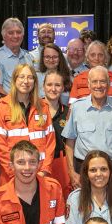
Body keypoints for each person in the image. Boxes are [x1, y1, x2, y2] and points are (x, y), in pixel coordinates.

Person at [62, 66, 112, 190]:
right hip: (84, 169)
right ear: (88, 84)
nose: (99, 85)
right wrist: (71, 172)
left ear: (108, 84)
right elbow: (69, 143)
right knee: (85, 208)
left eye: (103, 81)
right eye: (94, 81)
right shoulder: (76, 108)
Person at [0, 64, 55, 185]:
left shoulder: (43, 107)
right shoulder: (1, 106)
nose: (26, 81)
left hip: (40, 175)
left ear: (35, 81)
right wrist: (14, 173)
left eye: (30, 77)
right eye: (21, 77)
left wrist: (44, 171)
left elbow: (50, 142)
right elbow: (0, 145)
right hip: (11, 177)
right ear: (14, 79)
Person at [42, 69, 71, 198]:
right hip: (39, 163)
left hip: (61, 163)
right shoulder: (33, 109)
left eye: (57, 85)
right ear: (43, 87)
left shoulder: (68, 112)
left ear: (63, 88)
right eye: (49, 85)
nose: (53, 89)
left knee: (61, 198)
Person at [0, 17, 35, 92]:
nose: (15, 36)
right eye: (11, 33)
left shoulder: (28, 56)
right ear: (3, 36)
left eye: (18, 32)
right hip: (8, 102)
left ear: (23, 35)